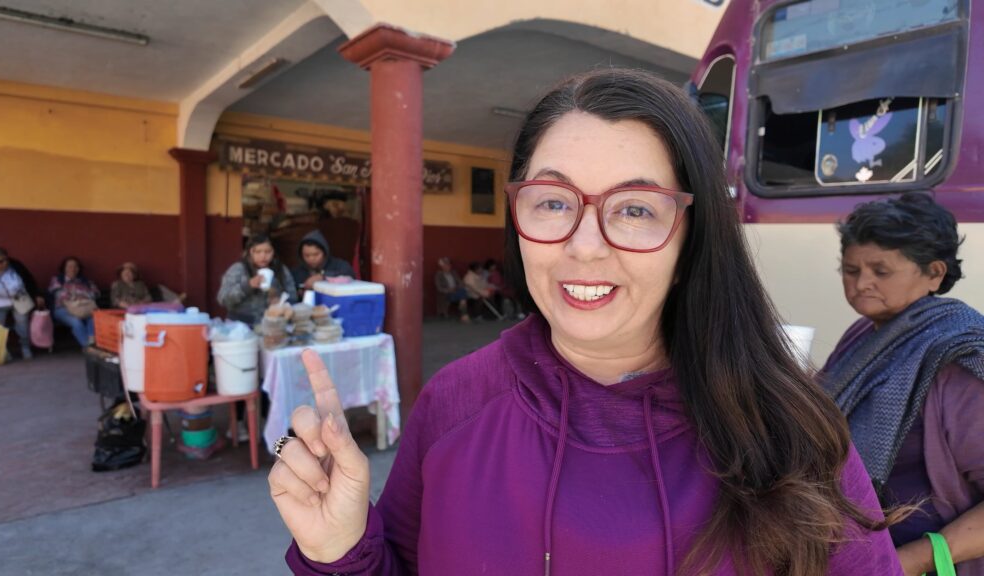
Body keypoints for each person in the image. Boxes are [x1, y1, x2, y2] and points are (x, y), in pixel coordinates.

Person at [268, 69, 903, 575]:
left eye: (634, 210)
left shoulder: (787, 429)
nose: (586, 246)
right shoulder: (455, 402)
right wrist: (341, 550)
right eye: (552, 202)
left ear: (692, 240)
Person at [819, 192, 984, 575]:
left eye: (881, 271)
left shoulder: (957, 357)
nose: (862, 284)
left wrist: (909, 561)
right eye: (851, 269)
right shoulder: (864, 335)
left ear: (934, 274)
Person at [0, 247, 45, 359]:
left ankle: (25, 347)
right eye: (0, 261)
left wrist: (37, 294)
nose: (5, 263)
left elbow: (29, 280)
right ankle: (3, 350)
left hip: (20, 300)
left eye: (6, 260)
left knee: (22, 323)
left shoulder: (16, 266)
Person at [217, 233, 298, 327]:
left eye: (268, 251)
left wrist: (280, 302)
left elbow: (293, 298)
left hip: (273, 325)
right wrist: (248, 286)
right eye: (257, 252)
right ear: (249, 252)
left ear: (274, 252)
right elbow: (223, 299)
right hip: (240, 325)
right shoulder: (238, 269)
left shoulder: (281, 270)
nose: (263, 256)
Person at [49, 257, 100, 348]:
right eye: (69, 266)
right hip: (63, 309)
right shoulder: (57, 280)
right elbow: (59, 295)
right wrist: (78, 296)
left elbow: (96, 293)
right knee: (76, 322)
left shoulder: (86, 281)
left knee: (93, 319)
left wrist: (83, 297)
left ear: (78, 269)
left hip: (83, 309)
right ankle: (88, 348)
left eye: (75, 266)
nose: (72, 269)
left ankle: (92, 342)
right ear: (64, 268)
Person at [291, 230, 356, 296]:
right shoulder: (297, 272)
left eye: (316, 254)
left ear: (325, 252)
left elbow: (349, 274)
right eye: (307, 255)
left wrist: (323, 276)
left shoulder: (339, 265)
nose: (311, 259)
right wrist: (299, 293)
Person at [433, 257, 471, 323]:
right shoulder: (439, 275)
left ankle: (464, 315)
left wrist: (455, 288)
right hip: (447, 293)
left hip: (456, 291)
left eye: (449, 265)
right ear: (442, 266)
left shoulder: (454, 273)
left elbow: (460, 283)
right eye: (445, 265)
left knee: (462, 293)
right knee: (463, 296)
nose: (448, 266)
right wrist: (448, 290)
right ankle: (464, 315)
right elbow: (439, 288)